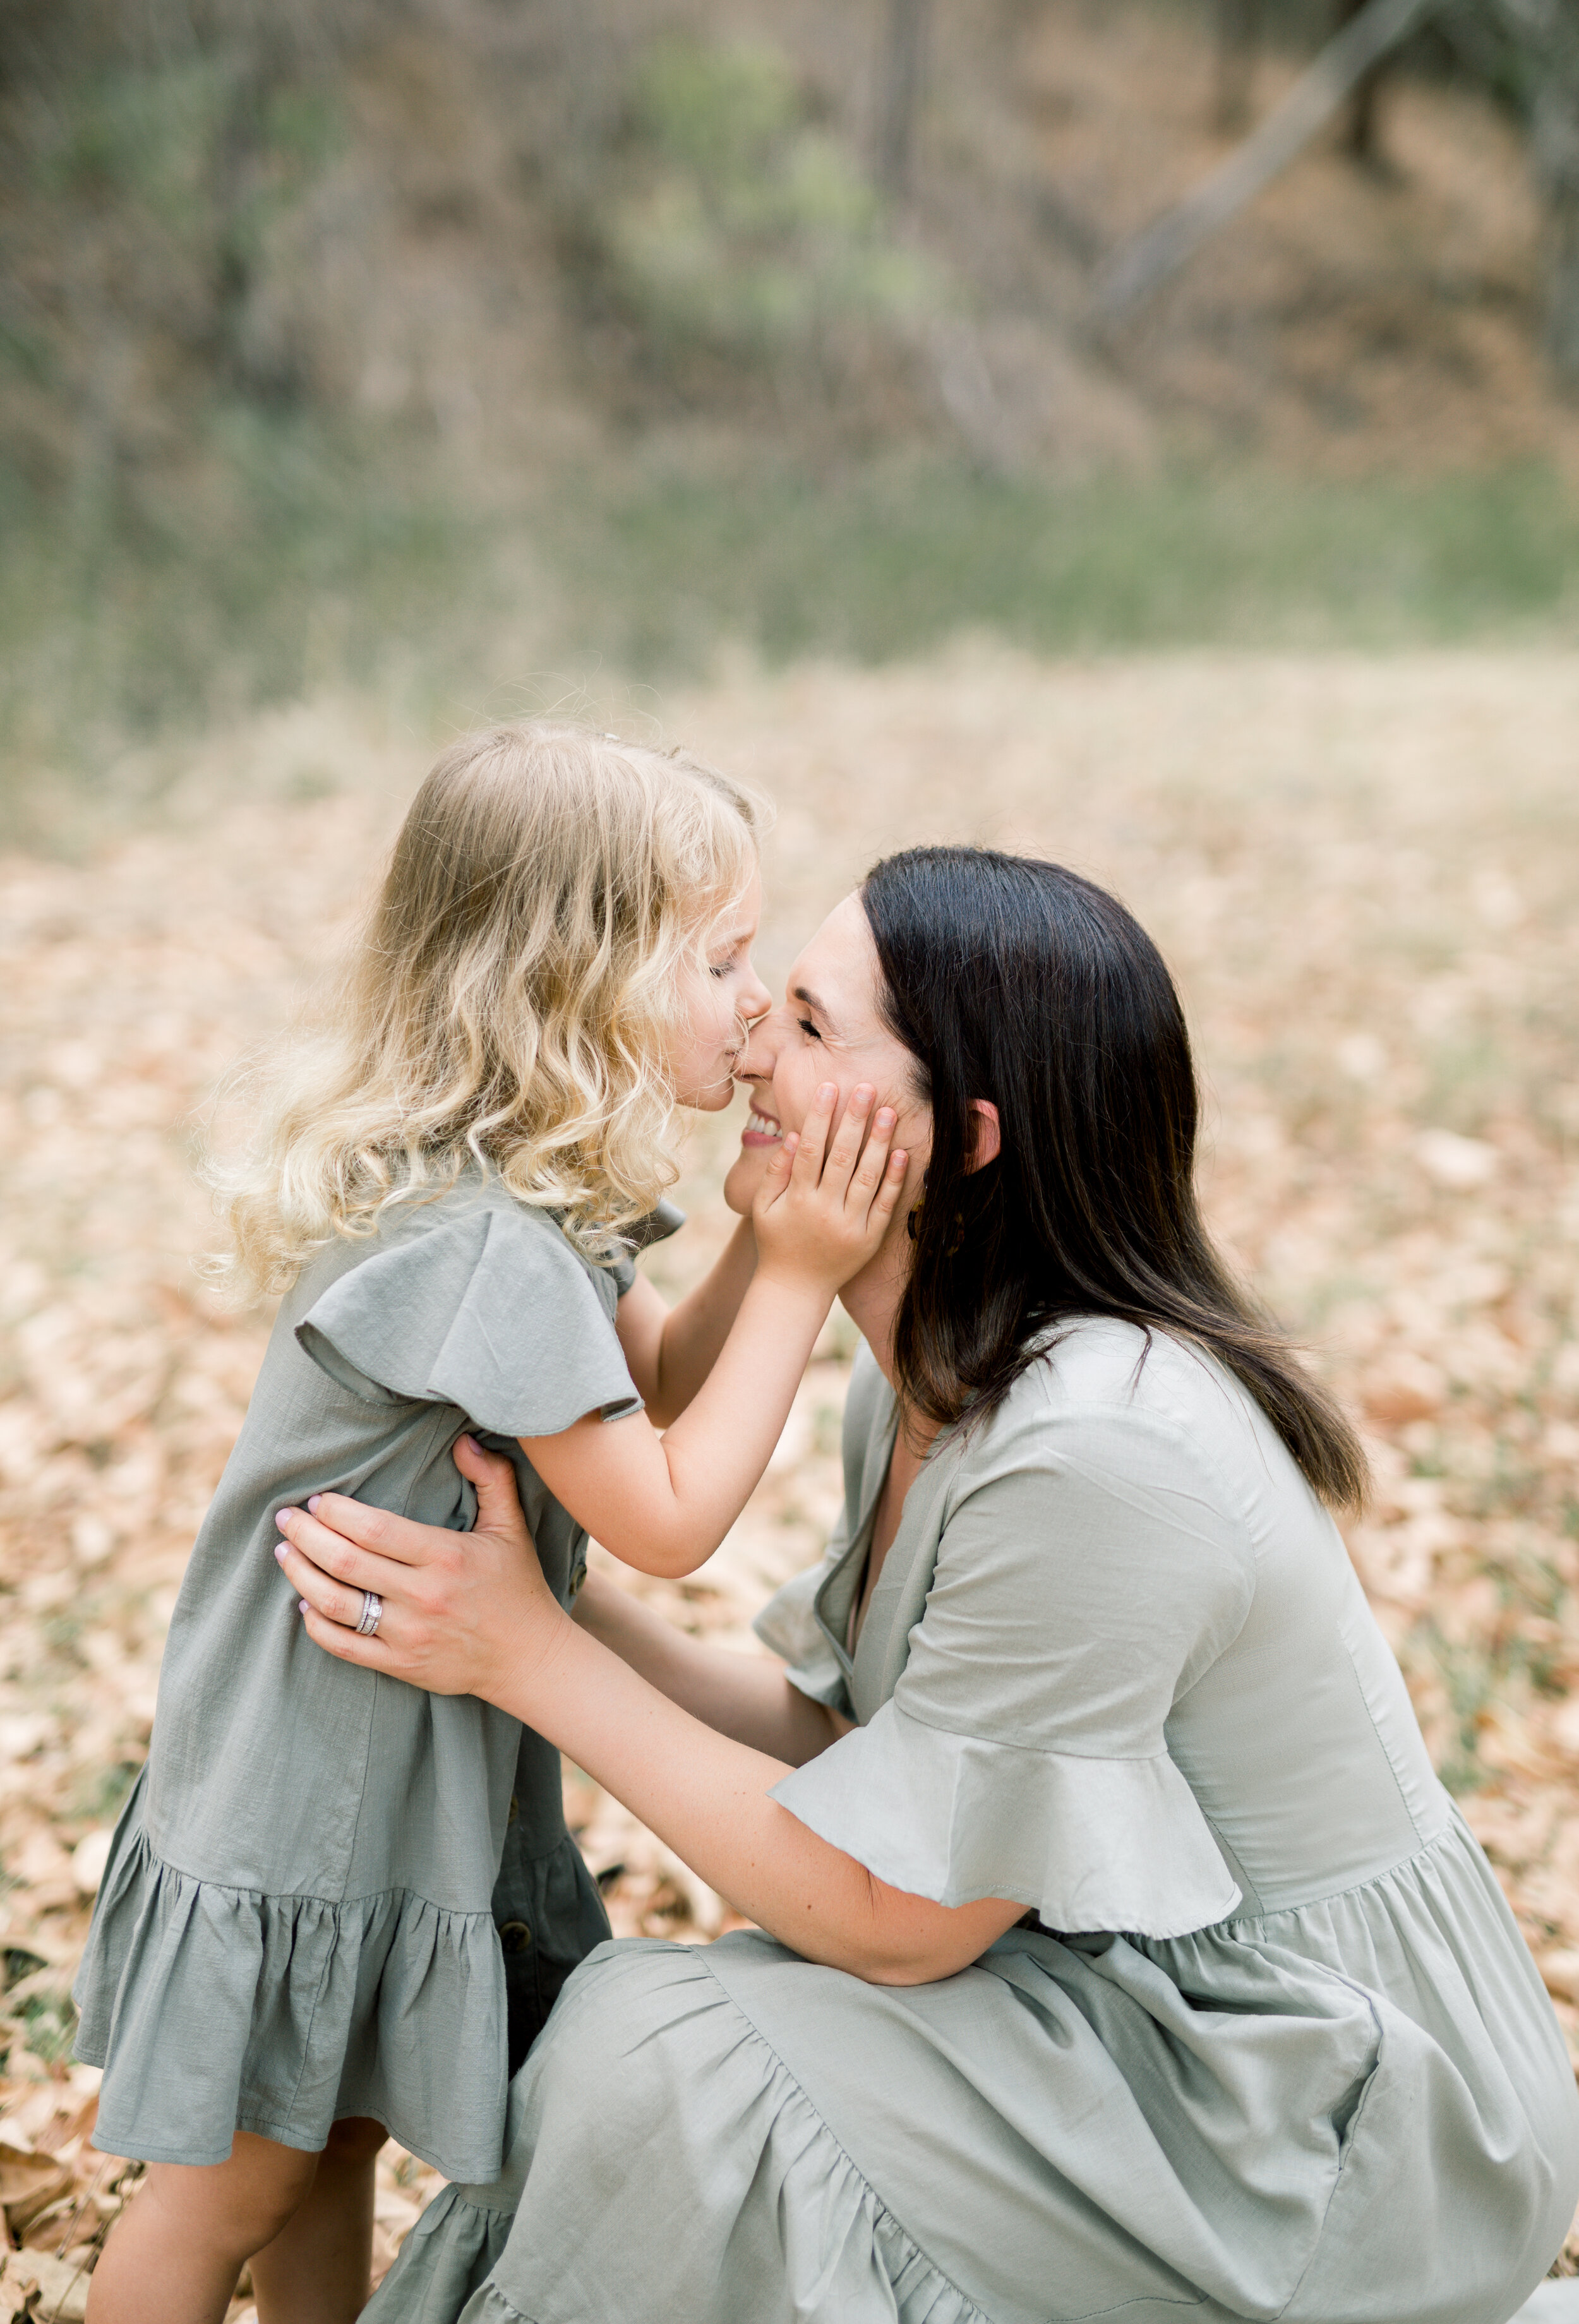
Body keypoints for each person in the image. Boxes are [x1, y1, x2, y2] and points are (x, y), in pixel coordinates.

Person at [279, 846, 1579, 2324]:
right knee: (667, 2030)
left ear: (959, 1141)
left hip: (1333, 2102)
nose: (756, 1040)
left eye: (816, 1029)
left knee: (680, 2053)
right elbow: (871, 1768)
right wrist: (550, 1607)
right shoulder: (924, 1377)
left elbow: (902, 1912)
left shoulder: (1096, 1446)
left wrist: (529, 1664)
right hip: (1123, 2001)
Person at [75, 724, 907, 2324]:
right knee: (235, 2180)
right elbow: (662, 1516)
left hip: (371, 1756)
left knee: (333, 2135)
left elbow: (646, 1379)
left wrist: (752, 1234)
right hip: (314, 1784)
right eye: (720, 959)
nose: (752, 1002)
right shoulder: (485, 1245)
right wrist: (802, 1283)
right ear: (567, 981)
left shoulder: (516, 1196)